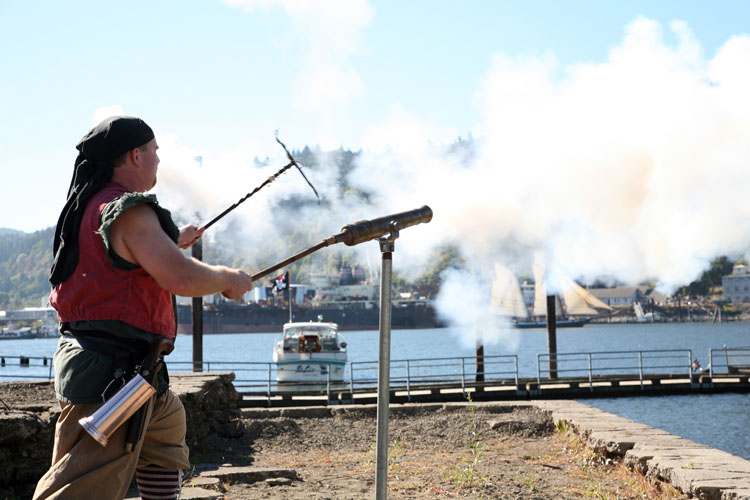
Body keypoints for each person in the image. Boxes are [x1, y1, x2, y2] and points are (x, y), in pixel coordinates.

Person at [34, 116, 253, 500]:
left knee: (166, 433)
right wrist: (227, 279)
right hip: (108, 378)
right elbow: (180, 278)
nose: (158, 159)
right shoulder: (128, 209)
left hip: (135, 374)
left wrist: (171, 241)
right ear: (136, 155)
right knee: (77, 490)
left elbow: (123, 261)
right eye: (154, 151)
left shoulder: (94, 204)